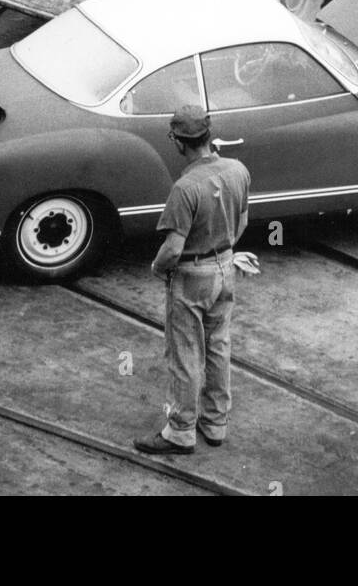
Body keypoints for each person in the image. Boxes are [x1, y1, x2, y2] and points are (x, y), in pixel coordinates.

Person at [134, 105, 250, 456]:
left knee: (185, 354)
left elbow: (172, 248)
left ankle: (181, 431)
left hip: (190, 278)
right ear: (209, 135)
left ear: (178, 142)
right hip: (226, 269)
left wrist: (157, 268)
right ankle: (215, 423)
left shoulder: (184, 188)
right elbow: (242, 222)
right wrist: (223, 251)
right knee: (218, 347)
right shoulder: (237, 170)